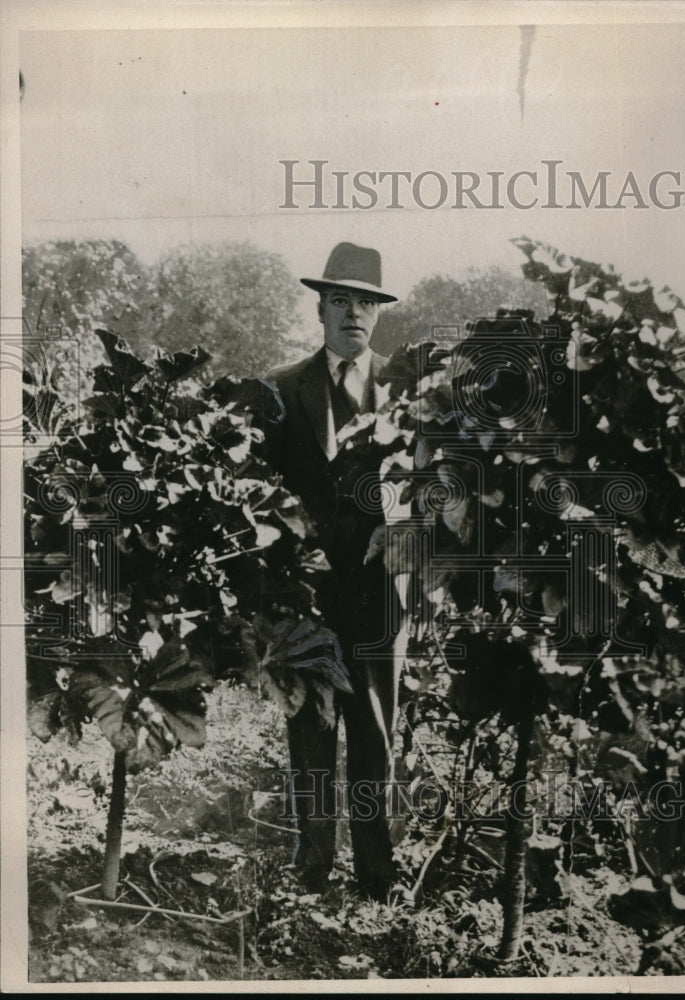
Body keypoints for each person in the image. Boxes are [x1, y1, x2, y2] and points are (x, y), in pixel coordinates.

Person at [264, 242, 403, 901]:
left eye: (367, 302)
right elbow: (257, 497)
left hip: (378, 596)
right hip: (305, 598)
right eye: (342, 300)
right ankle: (312, 869)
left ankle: (377, 876)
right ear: (320, 308)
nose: (354, 313)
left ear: (378, 314)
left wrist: (401, 527)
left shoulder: (403, 398)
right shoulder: (279, 391)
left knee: (375, 732)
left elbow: (425, 487)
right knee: (311, 731)